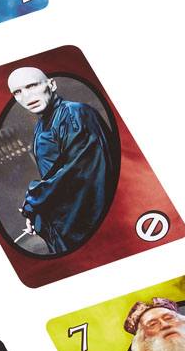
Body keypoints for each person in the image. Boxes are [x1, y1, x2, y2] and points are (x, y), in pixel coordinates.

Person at [9, 65, 117, 254]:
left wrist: (34, 202)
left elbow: (79, 171)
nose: (26, 96)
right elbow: (55, 175)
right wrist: (39, 211)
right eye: (17, 92)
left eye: (32, 86)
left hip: (89, 223)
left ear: (52, 84)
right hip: (69, 223)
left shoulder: (74, 113)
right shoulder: (43, 123)